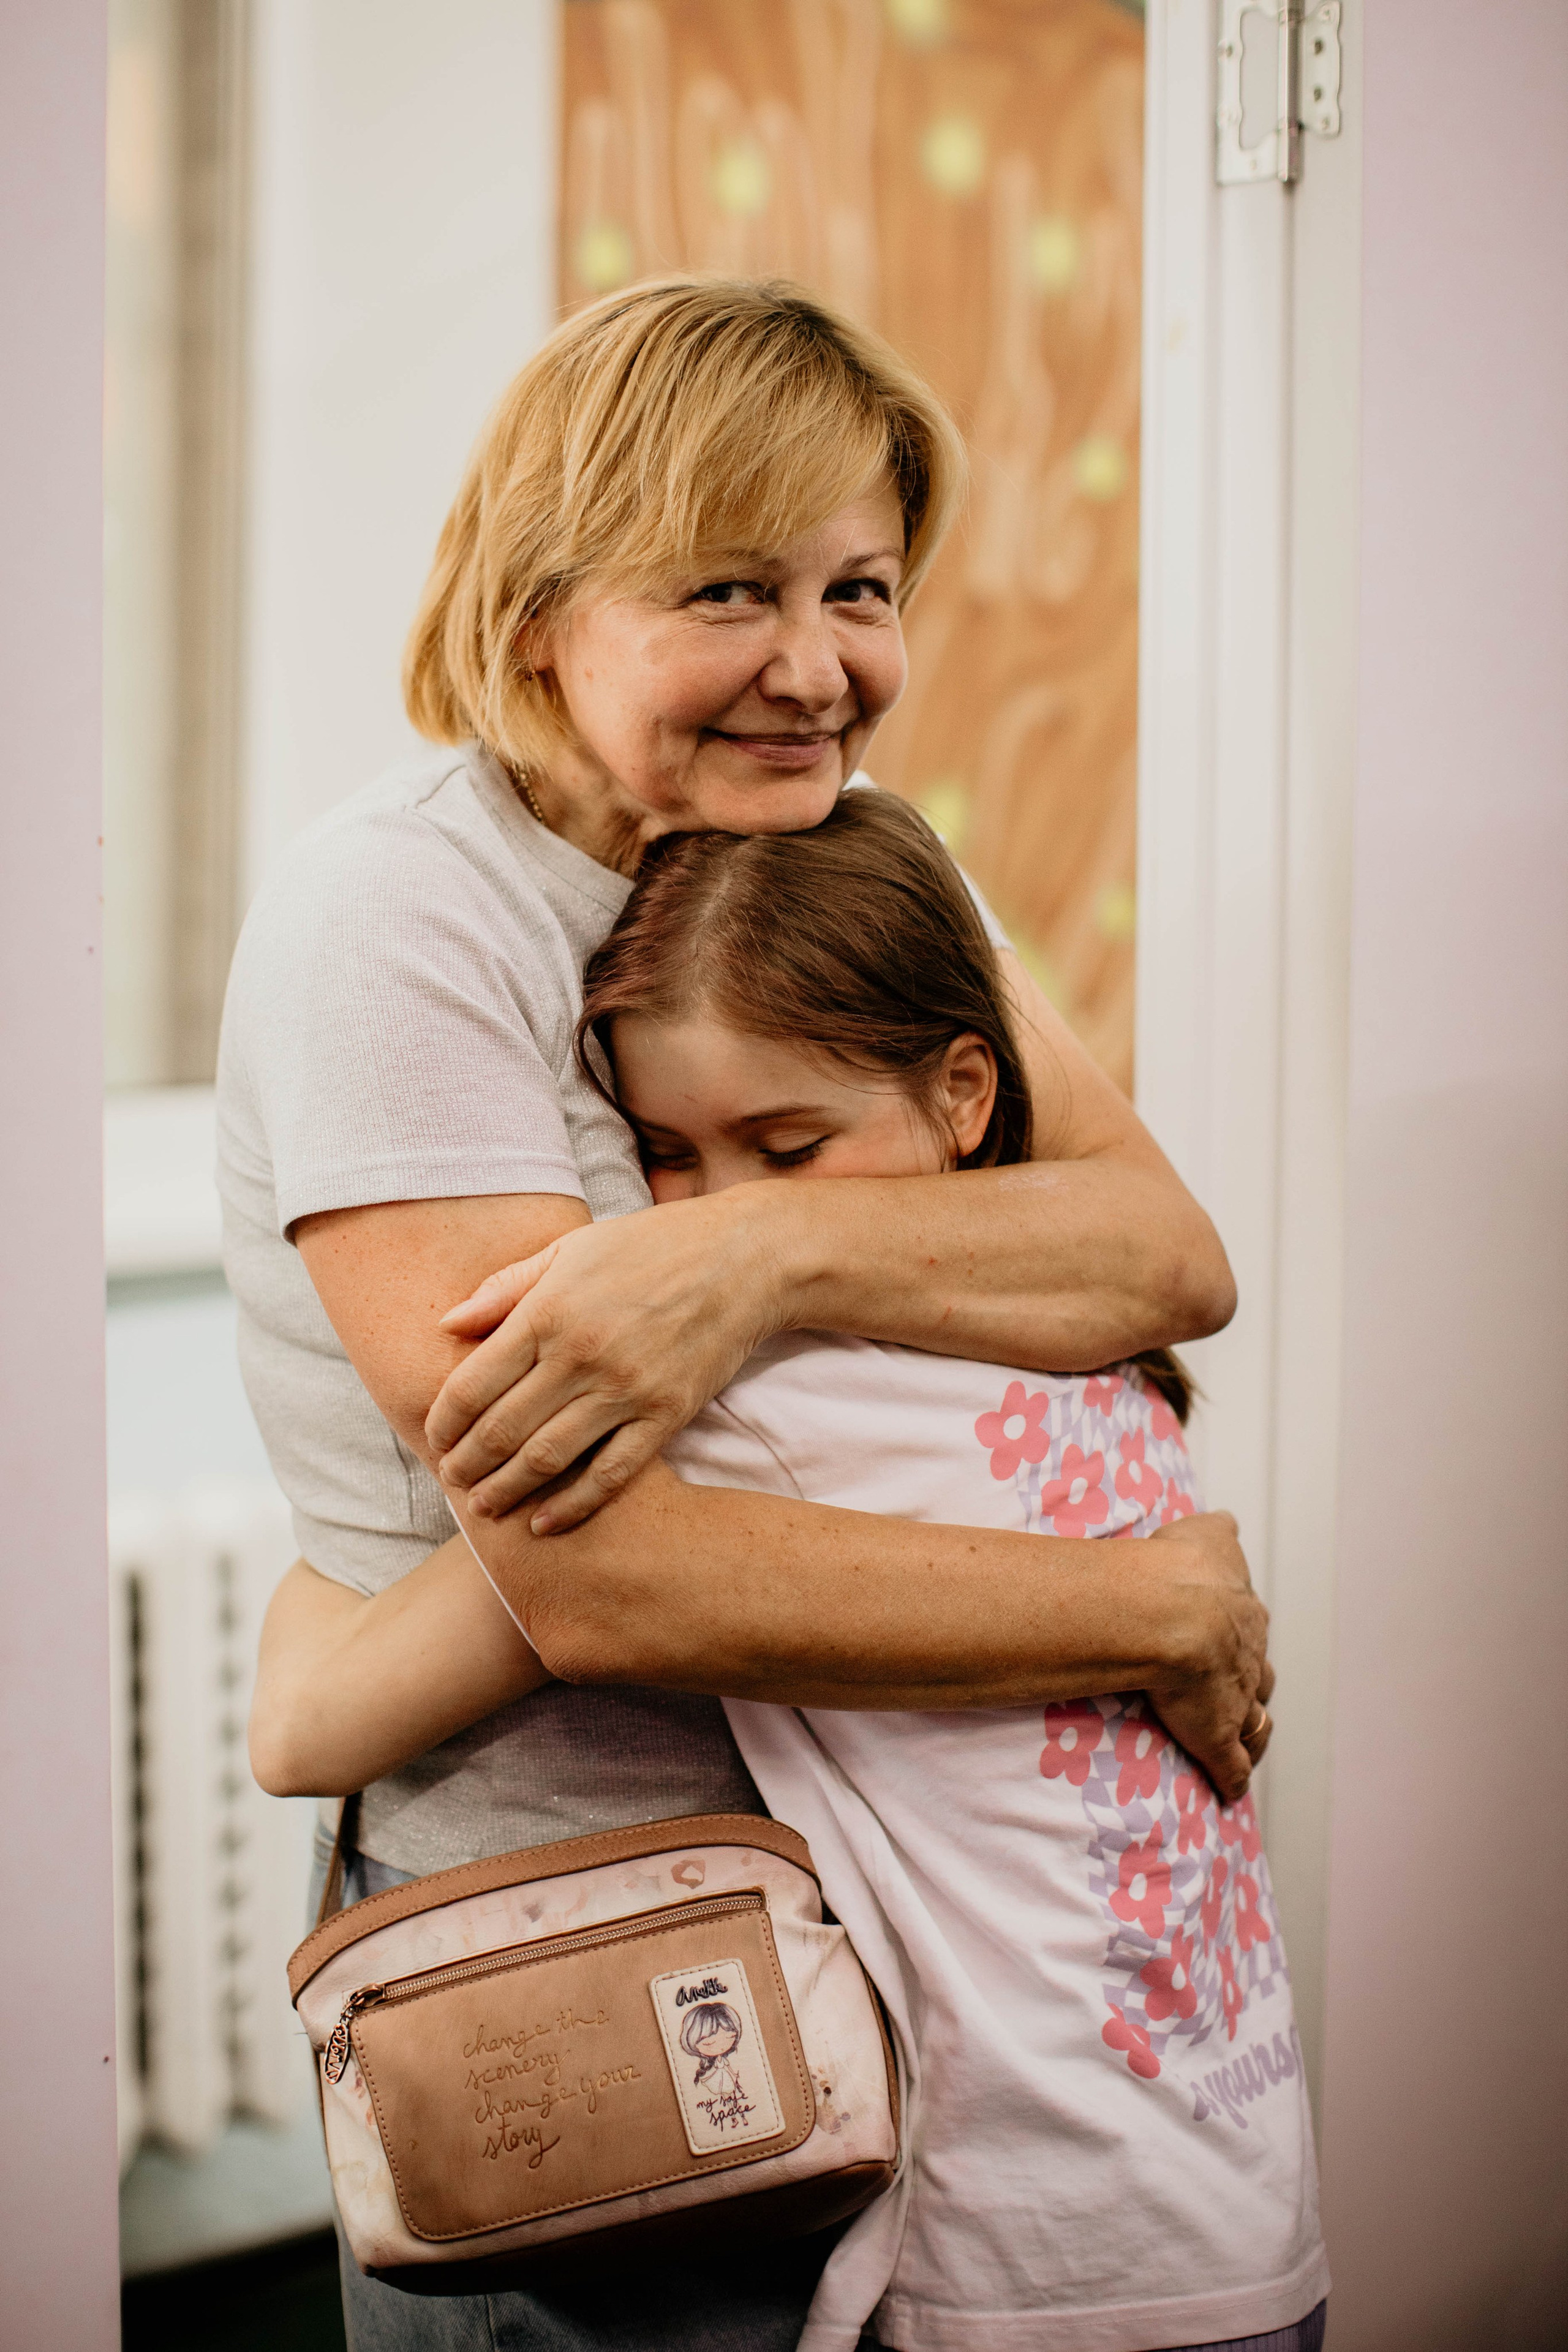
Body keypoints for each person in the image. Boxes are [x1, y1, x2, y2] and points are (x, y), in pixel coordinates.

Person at [230, 277, 1270, 2351]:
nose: (820, 668)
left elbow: (1161, 1255)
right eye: (729, 589)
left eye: (861, 587)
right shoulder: (404, 921)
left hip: (925, 1929)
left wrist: (746, 1261)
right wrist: (1150, 1605)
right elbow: (598, 1575)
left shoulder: (842, 858)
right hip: (604, 1959)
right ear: (539, 612)